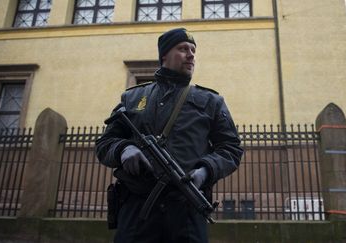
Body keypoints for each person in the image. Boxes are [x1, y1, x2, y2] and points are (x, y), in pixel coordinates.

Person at [95, 28, 243, 243]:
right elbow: (105, 144)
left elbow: (231, 149)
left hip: (187, 209)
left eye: (193, 50)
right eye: (183, 49)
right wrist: (124, 150)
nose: (191, 55)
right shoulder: (133, 97)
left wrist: (205, 170)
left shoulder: (211, 101)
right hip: (137, 208)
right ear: (164, 55)